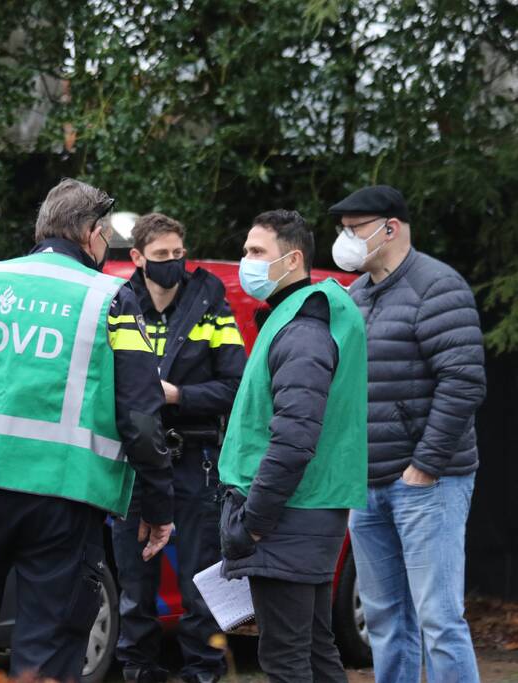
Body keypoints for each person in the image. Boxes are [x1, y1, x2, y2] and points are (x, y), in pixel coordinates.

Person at [0, 178, 175, 681]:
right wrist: (157, 504)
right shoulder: (111, 298)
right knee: (48, 654)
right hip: (65, 505)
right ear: (88, 233)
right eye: (104, 233)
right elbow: (141, 415)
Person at [329, 185, 486, 683]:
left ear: (390, 228)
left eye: (354, 229)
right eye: (343, 230)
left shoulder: (438, 286)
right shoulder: (355, 295)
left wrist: (425, 466)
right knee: (384, 620)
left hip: (427, 484)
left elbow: (463, 383)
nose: (345, 239)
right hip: (367, 485)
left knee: (438, 619)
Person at [217, 210, 368, 683]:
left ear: (293, 259)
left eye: (257, 251)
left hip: (287, 516)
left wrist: (255, 522)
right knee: (316, 654)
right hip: (304, 512)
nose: (247, 261)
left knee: (286, 660)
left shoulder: (303, 329)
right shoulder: (302, 317)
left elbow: (295, 437)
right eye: (246, 250)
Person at [114, 213, 246, 683]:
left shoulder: (211, 304)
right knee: (134, 580)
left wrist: (178, 396)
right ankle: (138, 669)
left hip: (195, 457)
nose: (172, 262)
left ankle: (203, 672)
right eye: (161, 255)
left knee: (200, 580)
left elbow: (236, 385)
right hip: (135, 459)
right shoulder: (119, 303)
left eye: (177, 253)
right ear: (137, 257)